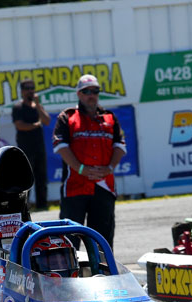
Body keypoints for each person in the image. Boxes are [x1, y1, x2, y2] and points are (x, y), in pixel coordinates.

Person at [52, 74, 126, 248]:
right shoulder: (67, 117)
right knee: (69, 241)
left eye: (95, 91)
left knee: (103, 242)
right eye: (86, 91)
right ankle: (71, 267)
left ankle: (103, 266)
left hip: (104, 186)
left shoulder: (110, 117)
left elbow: (120, 145)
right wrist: (80, 168)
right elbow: (60, 146)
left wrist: (110, 168)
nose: (91, 95)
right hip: (75, 186)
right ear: (79, 94)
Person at [11, 78, 50, 211]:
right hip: (25, 149)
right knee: (26, 179)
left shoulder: (38, 107)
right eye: (27, 89)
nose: (30, 91)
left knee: (41, 177)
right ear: (22, 91)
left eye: (32, 88)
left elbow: (47, 121)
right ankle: (24, 207)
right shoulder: (18, 107)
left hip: (39, 147)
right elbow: (19, 125)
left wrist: (38, 105)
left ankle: (42, 205)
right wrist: (35, 125)